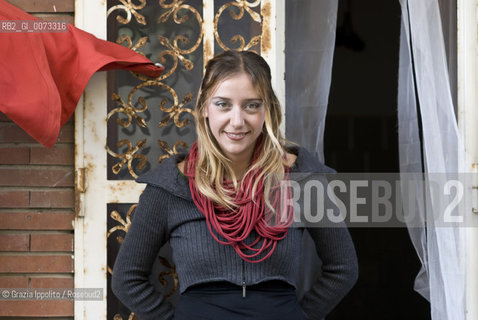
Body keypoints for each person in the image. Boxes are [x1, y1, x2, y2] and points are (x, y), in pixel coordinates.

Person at [111, 50, 358, 320]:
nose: (237, 121)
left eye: (251, 105)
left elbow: (343, 268)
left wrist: (300, 315)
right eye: (223, 104)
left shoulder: (303, 179)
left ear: (269, 110)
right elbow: (127, 278)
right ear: (204, 108)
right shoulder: (170, 187)